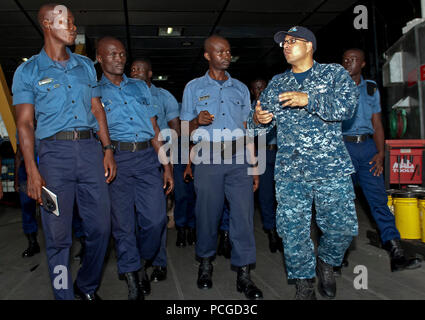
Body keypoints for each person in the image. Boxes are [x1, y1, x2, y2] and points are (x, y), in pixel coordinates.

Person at [12, 4, 116, 300]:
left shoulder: (85, 65)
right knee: (58, 238)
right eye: (65, 21)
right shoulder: (28, 70)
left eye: (73, 21)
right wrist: (32, 170)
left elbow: (97, 109)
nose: (72, 26)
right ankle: (63, 294)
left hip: (89, 152)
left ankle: (86, 285)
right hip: (54, 158)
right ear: (46, 24)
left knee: (101, 229)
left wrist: (107, 149)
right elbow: (24, 124)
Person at [249, 26, 359, 300]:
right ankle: (304, 285)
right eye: (283, 43)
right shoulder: (277, 83)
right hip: (291, 172)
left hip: (331, 169)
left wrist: (308, 99)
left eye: (292, 41)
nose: (285, 46)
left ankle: (326, 261)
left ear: (309, 46)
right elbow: (257, 127)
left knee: (342, 228)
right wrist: (258, 120)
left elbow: (347, 108)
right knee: (293, 232)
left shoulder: (333, 74)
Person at [181, 34, 263, 300]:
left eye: (228, 51)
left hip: (239, 158)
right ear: (207, 56)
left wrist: (254, 164)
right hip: (207, 158)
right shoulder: (193, 87)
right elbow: (183, 129)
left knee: (243, 216)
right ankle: (205, 263)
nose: (226, 55)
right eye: (220, 52)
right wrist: (196, 121)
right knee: (207, 215)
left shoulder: (240, 88)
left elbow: (247, 129)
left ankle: (244, 274)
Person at [96, 38, 173, 300]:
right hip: (116, 160)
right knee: (123, 225)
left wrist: (167, 166)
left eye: (122, 53)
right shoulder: (94, 91)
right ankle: (132, 277)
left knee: (156, 219)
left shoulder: (141, 88)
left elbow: (154, 130)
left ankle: (140, 260)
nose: (119, 58)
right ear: (100, 58)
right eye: (112, 54)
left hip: (146, 159)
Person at [341, 48, 421, 272]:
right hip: (343, 147)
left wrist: (381, 153)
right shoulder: (335, 88)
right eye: (345, 60)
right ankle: (337, 254)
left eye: (354, 60)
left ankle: (396, 253)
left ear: (363, 64)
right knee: (341, 204)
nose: (349, 63)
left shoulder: (371, 88)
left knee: (378, 201)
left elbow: (377, 124)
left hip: (367, 148)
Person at [130, 58, 182, 288]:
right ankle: (136, 261)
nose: (136, 72)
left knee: (156, 214)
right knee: (130, 217)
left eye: (140, 69)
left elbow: (174, 124)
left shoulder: (163, 96)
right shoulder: (124, 92)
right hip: (128, 155)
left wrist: (168, 156)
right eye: (133, 69)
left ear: (150, 73)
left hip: (157, 155)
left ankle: (159, 262)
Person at [250, 78, 281, 253]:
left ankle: (283, 232)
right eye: (255, 88)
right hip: (261, 154)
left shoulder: (278, 104)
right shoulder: (250, 109)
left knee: (282, 195)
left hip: (279, 153)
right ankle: (271, 231)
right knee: (265, 195)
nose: (259, 91)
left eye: (261, 87)